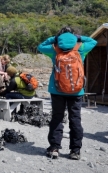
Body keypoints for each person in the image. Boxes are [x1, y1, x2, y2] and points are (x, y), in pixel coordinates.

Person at [37, 26, 97, 160]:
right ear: (73, 36)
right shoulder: (81, 48)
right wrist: (79, 38)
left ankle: (54, 148)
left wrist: (55, 38)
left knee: (57, 118)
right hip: (76, 91)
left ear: (59, 37)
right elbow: (94, 41)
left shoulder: (54, 50)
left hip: (56, 90)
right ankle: (75, 151)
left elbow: (40, 46)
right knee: (75, 119)